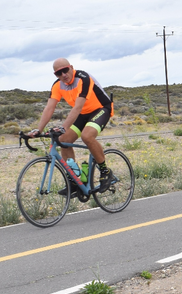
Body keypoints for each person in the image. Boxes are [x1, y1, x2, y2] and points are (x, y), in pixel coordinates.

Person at [28, 58, 116, 193]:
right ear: (56, 75)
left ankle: (105, 171)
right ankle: (75, 179)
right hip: (83, 114)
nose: (63, 74)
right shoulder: (57, 85)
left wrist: (63, 127)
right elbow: (49, 108)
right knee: (63, 140)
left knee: (87, 136)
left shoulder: (83, 78)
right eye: (59, 73)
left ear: (71, 67)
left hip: (101, 109)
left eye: (65, 70)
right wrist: (38, 129)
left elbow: (77, 107)